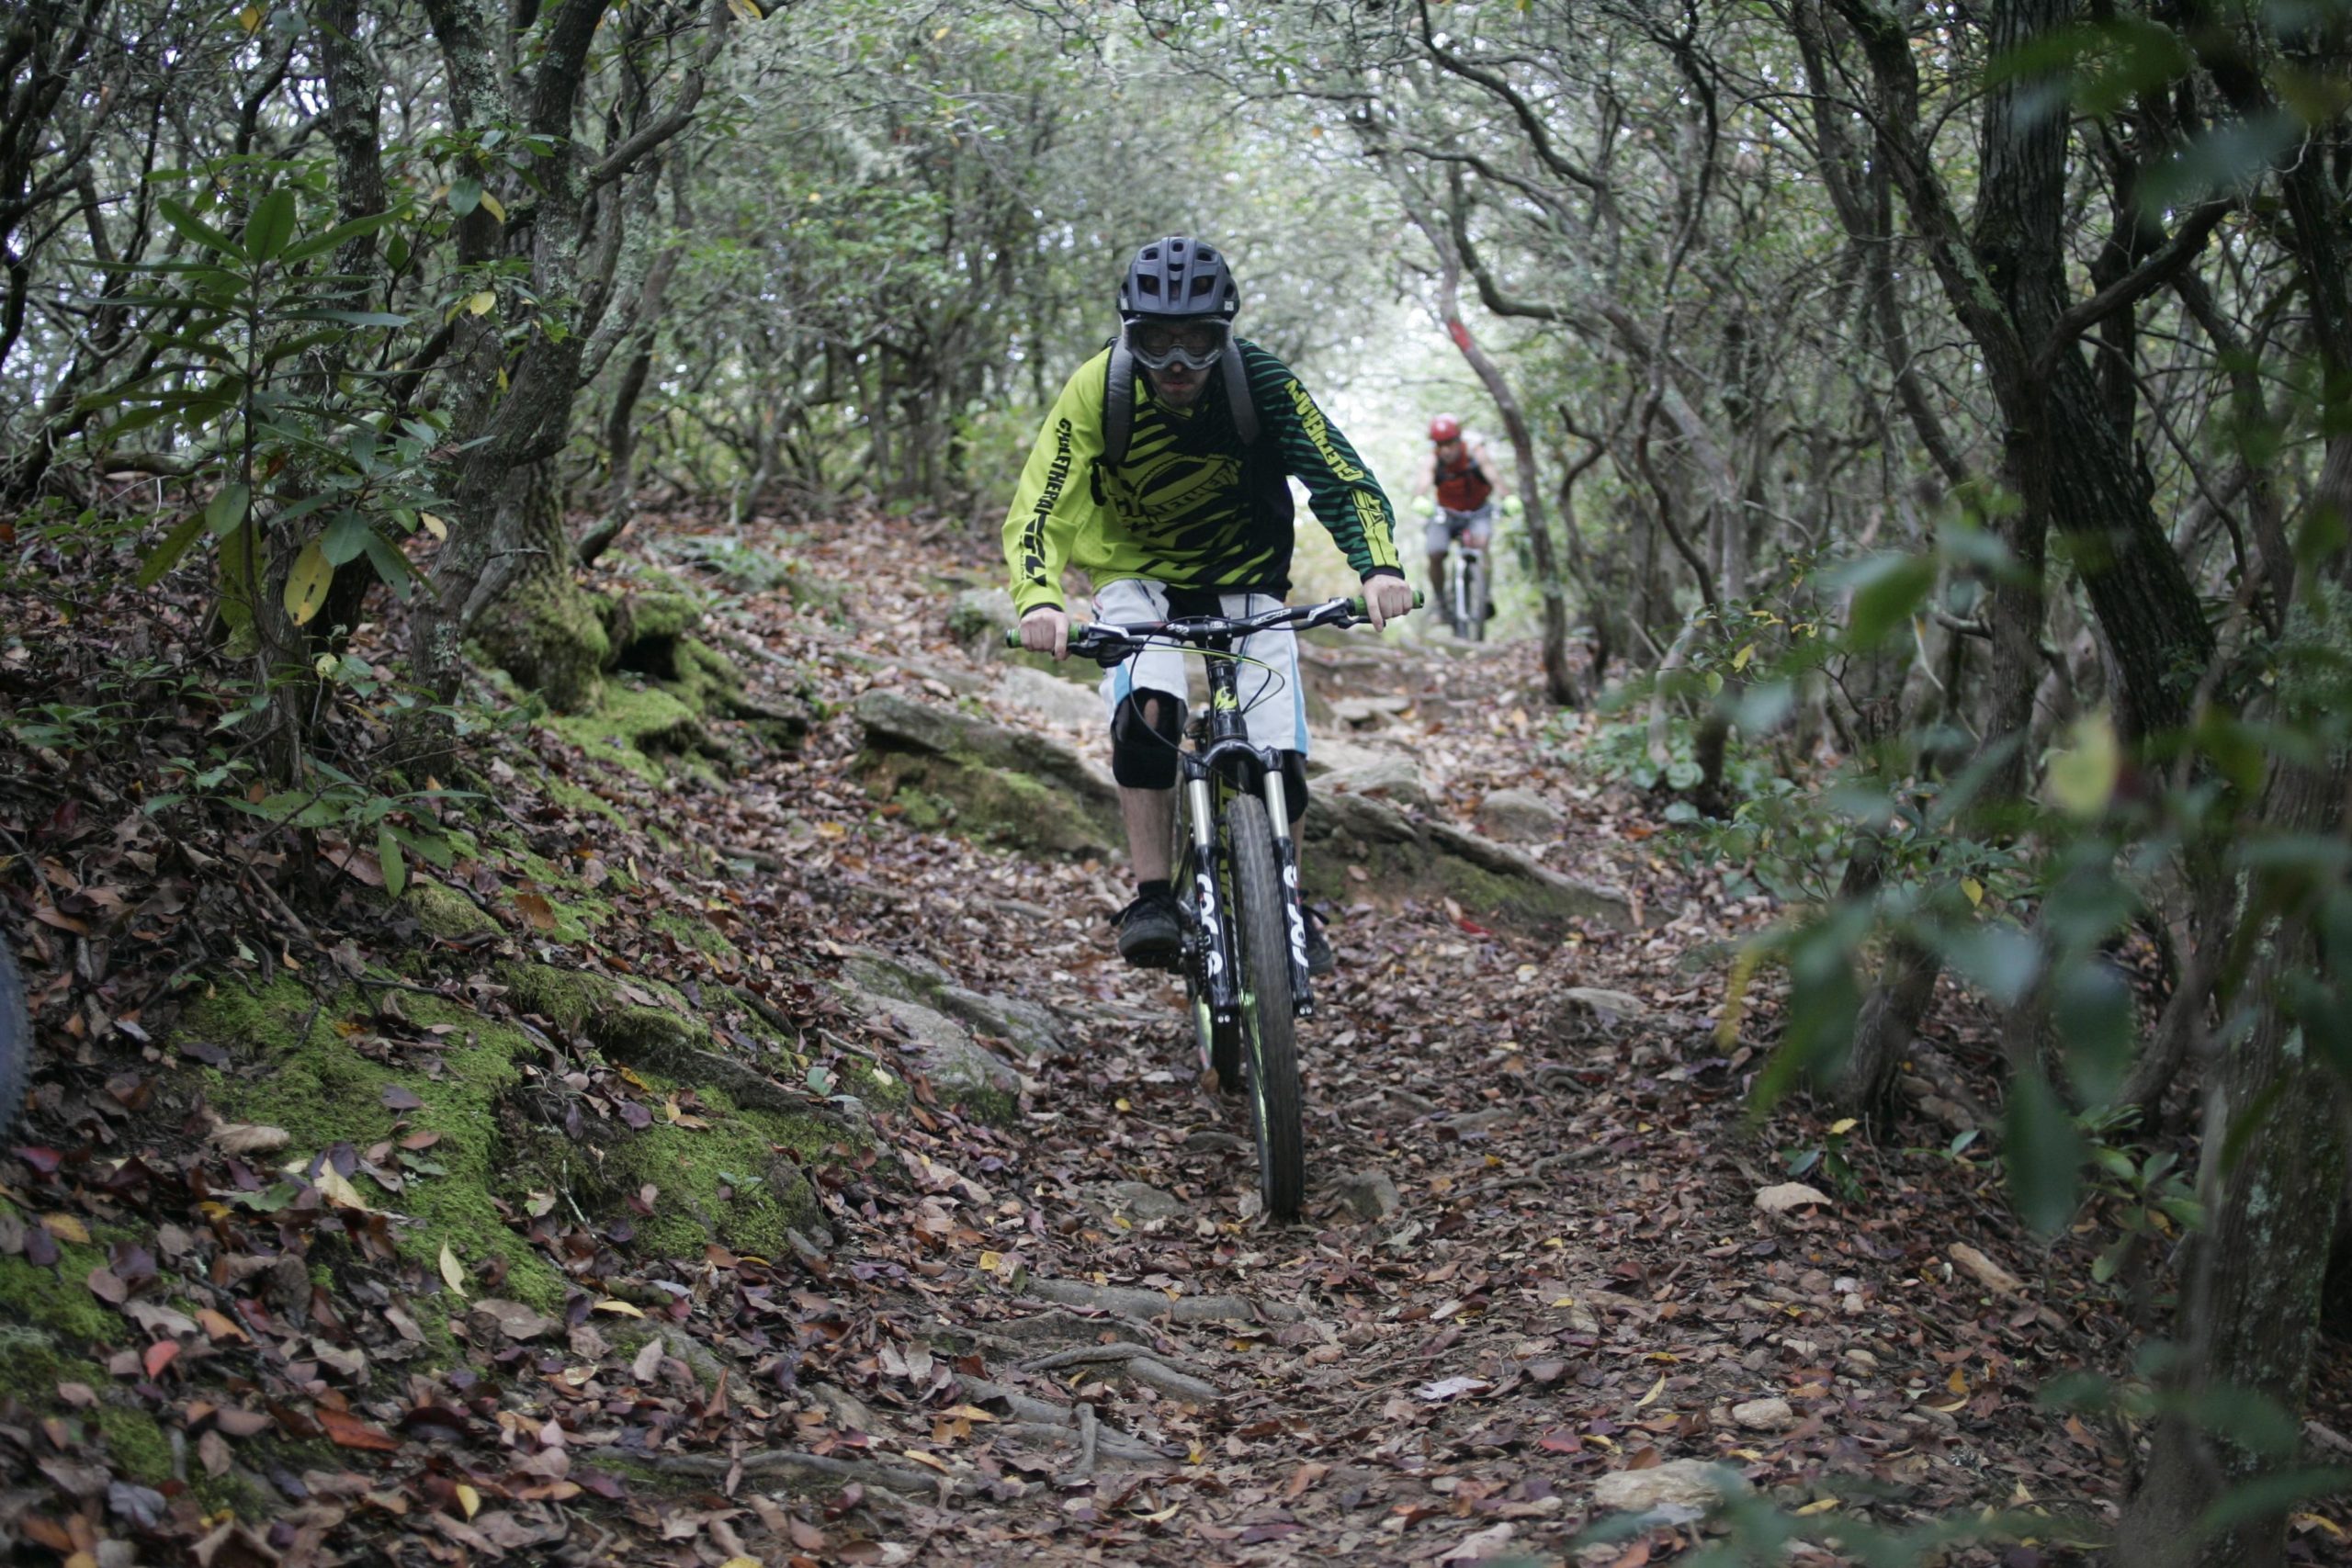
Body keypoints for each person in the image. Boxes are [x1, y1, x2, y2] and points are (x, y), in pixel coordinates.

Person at [1003, 235, 1414, 976]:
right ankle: (1154, 894)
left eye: (1198, 341)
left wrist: (1378, 566)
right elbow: (1041, 507)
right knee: (1149, 709)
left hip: (1249, 576)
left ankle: (1283, 897)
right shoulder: (1100, 388)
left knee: (1277, 749)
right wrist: (1041, 599)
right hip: (1136, 576)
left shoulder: (1260, 383)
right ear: (1132, 334)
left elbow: (1339, 476)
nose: (1178, 364)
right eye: (1157, 342)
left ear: (1225, 334)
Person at [1418, 415, 1503, 610]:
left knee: (1482, 544)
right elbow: (1423, 481)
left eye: (1450, 443)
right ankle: (1440, 601)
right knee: (1435, 553)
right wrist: (1420, 498)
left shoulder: (1475, 453)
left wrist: (1508, 496)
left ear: (1459, 440)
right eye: (1441, 445)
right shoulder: (1433, 459)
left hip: (1477, 511)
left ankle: (1484, 595)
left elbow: (1494, 476)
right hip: (1446, 513)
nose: (1446, 449)